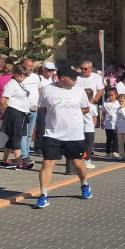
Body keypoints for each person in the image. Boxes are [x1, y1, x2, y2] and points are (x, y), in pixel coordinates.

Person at [32, 65, 93, 209]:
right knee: (47, 164)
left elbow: (86, 108)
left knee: (77, 163)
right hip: (52, 134)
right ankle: (43, 195)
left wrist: (72, 114)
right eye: (73, 77)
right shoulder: (48, 89)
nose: (76, 79)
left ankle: (85, 184)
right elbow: (42, 108)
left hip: (74, 134)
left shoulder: (79, 91)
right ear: (62, 77)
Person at [0, 66, 34, 169]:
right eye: (19, 73)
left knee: (13, 137)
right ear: (14, 73)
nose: (22, 75)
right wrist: (3, 112)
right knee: (16, 137)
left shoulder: (19, 84)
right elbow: (4, 99)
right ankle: (20, 163)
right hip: (14, 111)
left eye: (24, 73)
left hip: (21, 112)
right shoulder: (11, 84)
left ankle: (4, 161)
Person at [100, 87, 120, 158]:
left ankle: (115, 151)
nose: (110, 97)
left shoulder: (118, 103)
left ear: (116, 95)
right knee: (109, 139)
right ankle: (108, 153)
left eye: (112, 95)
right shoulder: (105, 103)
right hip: (108, 124)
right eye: (109, 95)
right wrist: (102, 122)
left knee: (116, 138)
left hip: (116, 124)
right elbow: (103, 113)